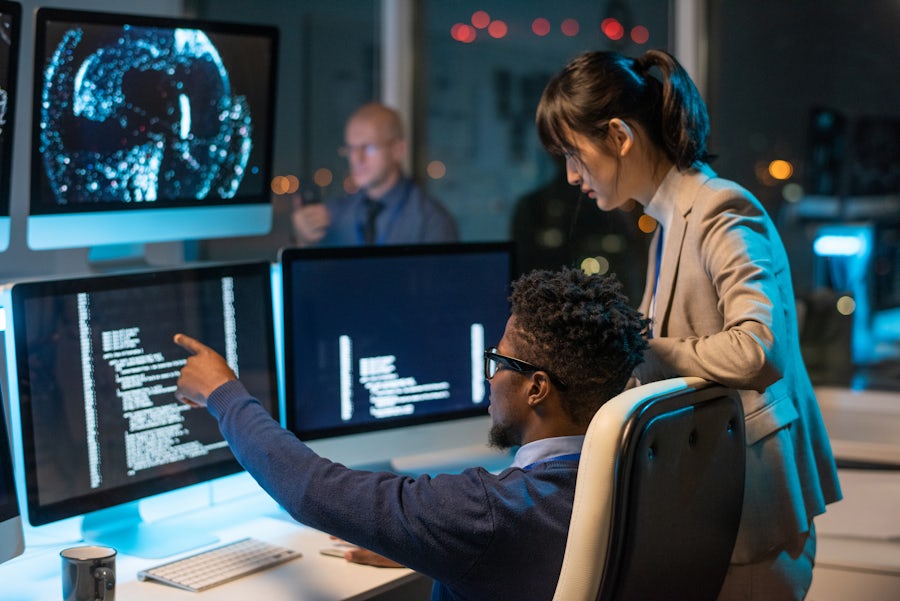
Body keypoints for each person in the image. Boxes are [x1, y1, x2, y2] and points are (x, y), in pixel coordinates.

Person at [535, 49, 842, 600]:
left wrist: (642, 348)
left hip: (754, 512)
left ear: (619, 136)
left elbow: (757, 350)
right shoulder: (667, 221)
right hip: (717, 503)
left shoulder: (720, 207)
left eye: (574, 154)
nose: (572, 175)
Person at [173, 267, 648, 601]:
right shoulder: (634, 479)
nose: (488, 377)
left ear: (536, 388)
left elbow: (309, 489)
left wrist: (223, 394)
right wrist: (434, 546)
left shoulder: (492, 513)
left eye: (498, 361)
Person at [291, 102, 458, 246]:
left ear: (398, 149)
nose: (356, 159)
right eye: (351, 149)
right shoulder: (333, 215)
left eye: (369, 148)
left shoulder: (432, 221)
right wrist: (303, 239)